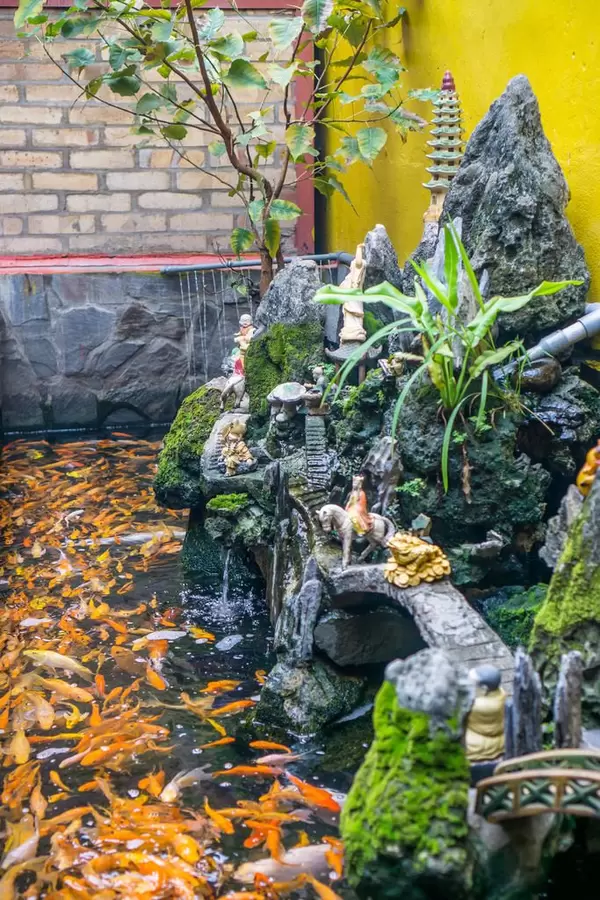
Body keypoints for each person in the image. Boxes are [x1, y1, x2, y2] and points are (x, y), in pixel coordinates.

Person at [465, 665, 506, 762]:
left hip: (480, 744)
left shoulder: (478, 707)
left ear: (483, 689)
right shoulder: (500, 693)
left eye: (471, 683)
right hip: (495, 737)